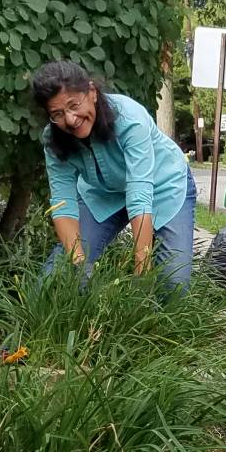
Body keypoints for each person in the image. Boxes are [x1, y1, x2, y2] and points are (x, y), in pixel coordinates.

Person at [33, 61, 197, 293]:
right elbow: (63, 205)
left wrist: (142, 275)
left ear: (92, 93)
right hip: (104, 194)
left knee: (173, 284)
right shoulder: (54, 140)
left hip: (162, 187)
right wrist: (81, 267)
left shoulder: (129, 118)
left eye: (74, 105)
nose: (70, 119)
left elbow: (139, 198)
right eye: (57, 114)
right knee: (58, 274)